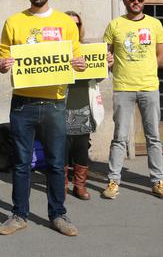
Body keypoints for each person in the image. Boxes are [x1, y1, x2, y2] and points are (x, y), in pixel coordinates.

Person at [0, 0, 85, 237]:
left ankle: (58, 214)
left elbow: (76, 57)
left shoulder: (65, 23)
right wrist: (2, 65)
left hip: (55, 102)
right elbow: (3, 60)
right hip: (23, 103)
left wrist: (79, 64)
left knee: (57, 163)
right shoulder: (14, 22)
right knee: (22, 163)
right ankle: (19, 214)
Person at [101, 0, 163, 200]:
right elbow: (105, 54)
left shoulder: (154, 24)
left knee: (153, 136)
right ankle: (113, 181)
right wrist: (109, 63)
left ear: (144, 1)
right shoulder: (115, 24)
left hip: (149, 87)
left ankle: (158, 182)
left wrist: (147, 71)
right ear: (125, 1)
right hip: (123, 87)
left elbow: (160, 55)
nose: (136, 1)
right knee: (120, 137)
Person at [64, 11, 110, 200]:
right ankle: (62, 184)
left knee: (82, 146)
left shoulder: (88, 49)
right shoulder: (56, 49)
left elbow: (98, 77)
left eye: (77, 24)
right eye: (70, 24)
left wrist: (106, 65)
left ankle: (79, 185)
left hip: (83, 103)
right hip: (61, 103)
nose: (74, 27)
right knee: (62, 147)